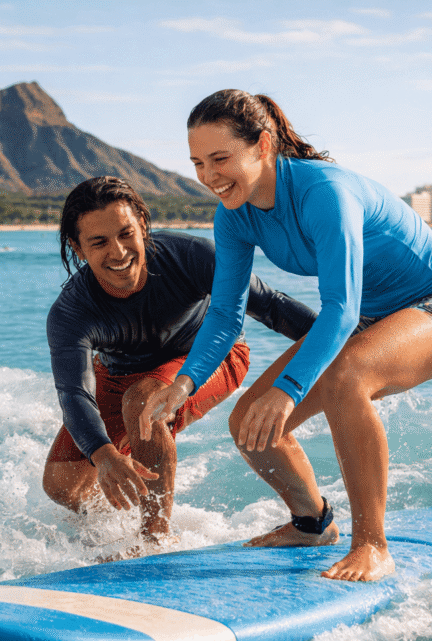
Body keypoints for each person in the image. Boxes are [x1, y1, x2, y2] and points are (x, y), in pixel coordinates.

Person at [140, 89, 432, 582]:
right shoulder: (233, 217)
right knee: (250, 426)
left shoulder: (325, 191)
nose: (209, 176)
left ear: (262, 145)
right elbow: (224, 315)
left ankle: (373, 545)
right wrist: (185, 383)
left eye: (220, 158)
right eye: (197, 163)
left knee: (346, 376)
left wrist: (289, 390)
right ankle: (313, 523)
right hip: (370, 317)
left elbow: (341, 310)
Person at [44, 176, 317, 553]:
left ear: (142, 223)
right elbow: (74, 392)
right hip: (120, 372)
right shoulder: (72, 311)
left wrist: (341, 344)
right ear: (78, 248)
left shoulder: (190, 256)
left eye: (126, 234)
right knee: (62, 484)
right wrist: (104, 456)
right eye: (99, 242)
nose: (119, 252)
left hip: (208, 357)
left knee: (143, 403)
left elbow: (270, 305)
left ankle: (155, 538)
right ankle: (122, 517)